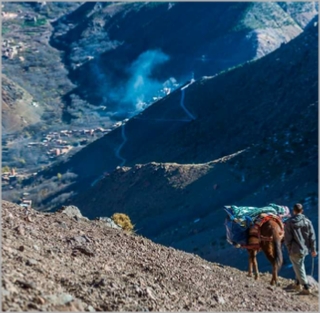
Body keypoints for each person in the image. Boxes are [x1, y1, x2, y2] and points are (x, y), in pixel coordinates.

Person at [284, 203, 317, 295]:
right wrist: (313, 249)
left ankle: (306, 287)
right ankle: (297, 284)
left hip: (294, 249)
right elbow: (312, 237)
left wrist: (289, 248)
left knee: (299, 267)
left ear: (294, 211)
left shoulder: (289, 223)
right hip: (305, 249)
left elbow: (287, 239)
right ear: (302, 211)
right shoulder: (307, 222)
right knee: (299, 265)